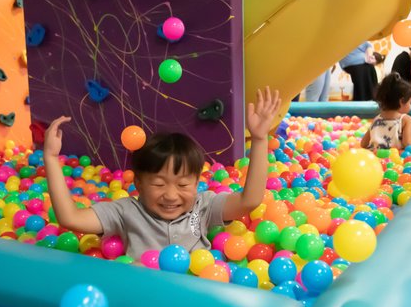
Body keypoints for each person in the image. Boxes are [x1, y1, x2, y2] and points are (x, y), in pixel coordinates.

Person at [43, 87, 282, 261]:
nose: (170, 195)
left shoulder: (202, 208)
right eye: (158, 184)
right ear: (138, 183)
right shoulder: (126, 212)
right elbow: (70, 218)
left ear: (197, 183)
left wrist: (260, 139)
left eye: (182, 185)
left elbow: (248, 200)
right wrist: (52, 159)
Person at [361, 72, 411, 150]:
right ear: (401, 101)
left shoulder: (377, 119)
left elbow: (363, 143)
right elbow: (408, 144)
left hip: (375, 157)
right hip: (394, 159)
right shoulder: (406, 119)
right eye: (410, 102)